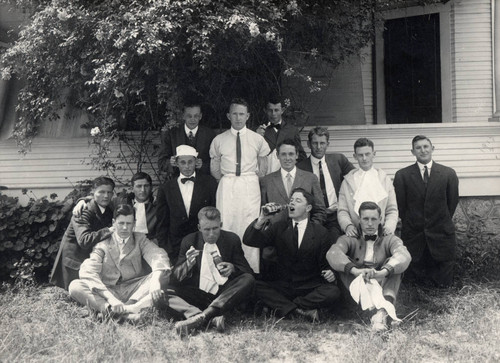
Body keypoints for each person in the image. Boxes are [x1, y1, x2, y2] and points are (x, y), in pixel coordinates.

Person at [68, 204, 202, 323]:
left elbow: (158, 255)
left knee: (162, 275)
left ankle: (125, 309)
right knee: (75, 286)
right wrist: (110, 299)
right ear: (114, 223)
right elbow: (89, 272)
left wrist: (155, 280)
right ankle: (114, 312)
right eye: (121, 223)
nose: (125, 228)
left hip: (134, 289)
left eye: (129, 223)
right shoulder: (103, 243)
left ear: (134, 224)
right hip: (108, 289)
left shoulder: (140, 239)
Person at [243, 188, 340, 322]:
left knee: (333, 292)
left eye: (298, 200)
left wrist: (330, 272)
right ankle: (299, 311)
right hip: (283, 285)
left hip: (309, 287)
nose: (291, 204)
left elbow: (325, 263)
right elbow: (250, 240)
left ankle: (282, 307)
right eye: (291, 200)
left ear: (308, 208)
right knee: (255, 285)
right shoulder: (279, 227)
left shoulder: (321, 232)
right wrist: (261, 219)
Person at [327, 201, 411, 332]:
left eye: (374, 219)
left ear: (380, 220)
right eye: (365, 219)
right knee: (344, 264)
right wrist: (355, 271)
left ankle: (381, 313)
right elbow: (333, 253)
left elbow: (403, 255)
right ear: (359, 220)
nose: (370, 224)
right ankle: (377, 312)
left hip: (381, 281)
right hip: (358, 284)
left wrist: (383, 272)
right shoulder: (349, 238)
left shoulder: (389, 238)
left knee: (394, 266)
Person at [172, 207, 255, 335]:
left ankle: (202, 317)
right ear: (199, 228)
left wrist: (233, 268)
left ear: (221, 225)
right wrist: (188, 264)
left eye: (215, 228)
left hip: (223, 294)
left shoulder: (232, 239)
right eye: (207, 229)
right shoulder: (189, 241)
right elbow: (175, 278)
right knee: (164, 290)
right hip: (198, 294)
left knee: (248, 279)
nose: (211, 234)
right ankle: (207, 317)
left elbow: (247, 271)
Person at [209, 98, 270, 273]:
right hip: (227, 184)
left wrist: (248, 180)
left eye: (241, 114)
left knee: (249, 224)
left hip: (249, 184)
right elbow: (215, 168)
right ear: (228, 115)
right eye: (234, 113)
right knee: (226, 222)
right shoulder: (219, 140)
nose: (238, 118)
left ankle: (250, 270)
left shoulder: (257, 139)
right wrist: (229, 180)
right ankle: (226, 269)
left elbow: (263, 167)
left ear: (247, 116)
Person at [393, 135, 459, 287]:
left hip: (441, 233)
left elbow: (452, 202)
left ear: (432, 149)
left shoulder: (448, 174)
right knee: (416, 284)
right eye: (418, 148)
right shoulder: (402, 175)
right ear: (412, 152)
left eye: (425, 146)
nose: (422, 150)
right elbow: (401, 206)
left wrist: (439, 220)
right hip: (415, 235)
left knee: (442, 284)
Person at [50, 176, 115, 290]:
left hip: (89, 259)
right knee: (81, 292)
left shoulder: (108, 209)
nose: (106, 196)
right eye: (102, 192)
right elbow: (84, 240)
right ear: (93, 192)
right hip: (74, 261)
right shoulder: (82, 210)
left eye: (109, 192)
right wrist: (109, 230)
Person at [156, 145, 218, 263]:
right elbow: (162, 222)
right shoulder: (166, 188)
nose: (187, 166)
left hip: (202, 243)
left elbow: (214, 213)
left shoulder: (209, 183)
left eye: (190, 162)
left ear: (196, 162)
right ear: (177, 163)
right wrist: (166, 248)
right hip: (176, 247)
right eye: (183, 162)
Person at [297, 127, 355, 242]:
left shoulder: (338, 160)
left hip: (335, 216)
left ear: (328, 144)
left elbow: (356, 179)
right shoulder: (300, 167)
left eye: (322, 143)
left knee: (334, 243)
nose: (319, 147)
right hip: (314, 217)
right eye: (315, 143)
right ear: (308, 144)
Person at [72, 172, 159, 242]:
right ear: (132, 188)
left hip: (148, 243)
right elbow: (101, 199)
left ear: (151, 187)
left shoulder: (157, 206)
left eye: (146, 186)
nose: (142, 190)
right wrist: (83, 200)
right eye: (139, 186)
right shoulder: (121, 202)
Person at [337, 138, 398, 237]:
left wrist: (389, 227)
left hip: (382, 234)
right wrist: (348, 226)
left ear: (374, 154)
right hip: (355, 235)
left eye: (367, 154)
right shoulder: (347, 182)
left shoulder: (385, 180)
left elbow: (392, 209)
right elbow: (342, 210)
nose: (364, 158)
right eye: (360, 155)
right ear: (355, 156)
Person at [260, 138, 326, 225]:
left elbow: (320, 210)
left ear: (297, 155)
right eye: (283, 154)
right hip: (275, 235)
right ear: (277, 155)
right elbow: (263, 212)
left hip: (304, 234)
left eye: (291, 154)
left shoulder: (310, 178)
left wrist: (310, 230)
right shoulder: (266, 181)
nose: (287, 158)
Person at [158, 101, 216, 176]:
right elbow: (161, 162)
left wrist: (203, 166)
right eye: (189, 116)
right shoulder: (171, 134)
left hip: (202, 182)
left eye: (196, 116)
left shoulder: (209, 134)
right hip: (177, 181)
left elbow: (215, 162)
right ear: (183, 116)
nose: (193, 119)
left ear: (200, 116)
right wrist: (171, 163)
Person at [256, 96, 307, 174]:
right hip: (267, 176)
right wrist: (256, 137)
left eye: (276, 110)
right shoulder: (259, 131)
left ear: (282, 110)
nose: (273, 114)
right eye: (270, 110)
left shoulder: (292, 130)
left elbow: (301, 156)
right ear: (265, 111)